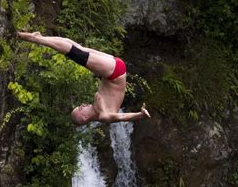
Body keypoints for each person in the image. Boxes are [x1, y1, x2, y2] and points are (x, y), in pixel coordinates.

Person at [17, 31, 150, 125]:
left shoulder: (96, 108)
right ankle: (37, 40)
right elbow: (122, 117)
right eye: (80, 109)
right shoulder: (103, 115)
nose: (81, 105)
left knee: (77, 48)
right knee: (76, 54)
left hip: (113, 69)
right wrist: (139, 115)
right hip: (114, 72)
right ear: (84, 117)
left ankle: (42, 37)